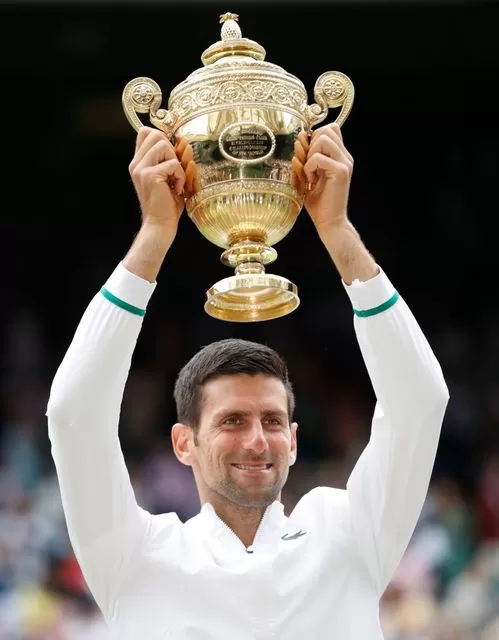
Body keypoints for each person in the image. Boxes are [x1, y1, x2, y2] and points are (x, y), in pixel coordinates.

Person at [46, 124, 449, 639]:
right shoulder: (136, 556)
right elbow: (74, 417)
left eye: (273, 421)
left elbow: (420, 402)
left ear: (295, 440)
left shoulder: (349, 535)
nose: (258, 440)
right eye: (232, 420)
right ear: (183, 442)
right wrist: (152, 238)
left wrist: (339, 232)